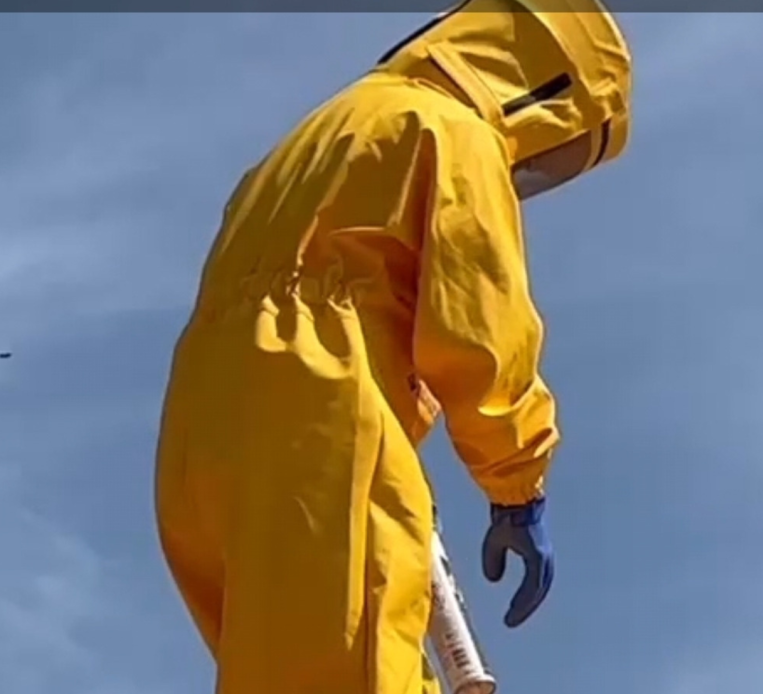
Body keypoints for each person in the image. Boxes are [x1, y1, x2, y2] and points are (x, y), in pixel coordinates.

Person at [154, 2, 632, 693]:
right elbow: (480, 327)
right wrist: (516, 488)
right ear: (548, 88)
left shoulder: (317, 136)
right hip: (321, 415)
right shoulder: (452, 130)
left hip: (198, 435)